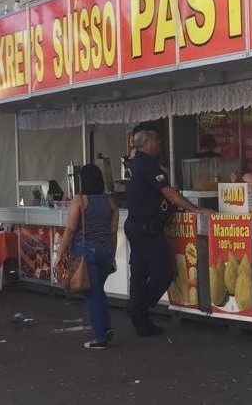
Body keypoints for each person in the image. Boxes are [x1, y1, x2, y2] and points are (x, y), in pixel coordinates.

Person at [124, 122, 213, 337]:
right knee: (164, 272)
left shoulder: (132, 164)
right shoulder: (149, 166)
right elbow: (169, 193)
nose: (160, 143)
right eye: (156, 139)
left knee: (139, 273)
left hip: (135, 225)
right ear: (145, 142)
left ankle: (141, 318)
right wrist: (195, 209)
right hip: (148, 228)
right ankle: (140, 309)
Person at [55, 164, 119, 349]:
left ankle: (100, 337)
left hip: (85, 253)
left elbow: (71, 229)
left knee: (92, 294)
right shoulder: (111, 201)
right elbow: (113, 232)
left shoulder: (80, 200)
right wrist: (112, 255)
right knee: (98, 291)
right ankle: (105, 328)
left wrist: (60, 254)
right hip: (106, 251)